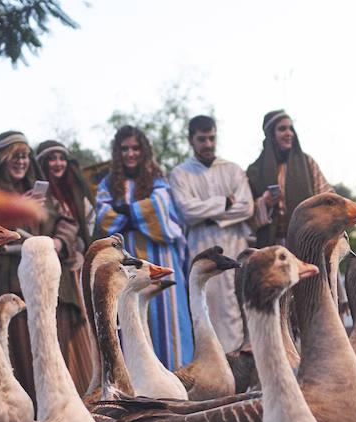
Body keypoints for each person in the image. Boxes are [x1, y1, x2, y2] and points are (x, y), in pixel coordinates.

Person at [94, 125, 193, 369]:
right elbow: (105, 217)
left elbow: (160, 210)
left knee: (168, 318)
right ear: (117, 152)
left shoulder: (157, 179)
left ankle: (176, 374)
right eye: (125, 149)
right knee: (130, 316)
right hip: (127, 259)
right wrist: (141, 213)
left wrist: (125, 212)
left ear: (144, 150)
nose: (130, 153)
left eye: (135, 148)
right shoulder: (108, 183)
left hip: (160, 256)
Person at [169, 115, 253, 352]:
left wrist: (206, 212)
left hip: (234, 242)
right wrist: (225, 203)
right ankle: (215, 362)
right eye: (202, 139)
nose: (208, 144)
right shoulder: (180, 174)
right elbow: (186, 211)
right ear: (190, 140)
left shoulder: (233, 170)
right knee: (208, 303)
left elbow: (247, 207)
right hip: (201, 244)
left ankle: (241, 362)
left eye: (211, 138)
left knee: (238, 302)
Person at [0, 131, 49, 400]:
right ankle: (21, 406)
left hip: (36, 277)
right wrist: (18, 209)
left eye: (25, 156)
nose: (21, 161)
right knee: (15, 345)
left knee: (40, 342)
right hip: (5, 279)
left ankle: (43, 403)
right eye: (15, 156)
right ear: (2, 158)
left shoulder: (32, 188)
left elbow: (53, 222)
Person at [35, 139, 96, 392]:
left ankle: (87, 387)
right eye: (52, 158)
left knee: (83, 329)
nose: (58, 163)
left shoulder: (77, 193)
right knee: (59, 328)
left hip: (78, 269)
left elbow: (89, 229)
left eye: (62, 158)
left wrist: (80, 248)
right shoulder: (40, 195)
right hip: (53, 271)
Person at [246, 109, 333, 247]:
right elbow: (245, 212)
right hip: (270, 246)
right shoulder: (254, 171)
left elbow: (328, 198)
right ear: (271, 135)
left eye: (291, 128)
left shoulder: (307, 163)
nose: (289, 133)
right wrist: (265, 203)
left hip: (305, 243)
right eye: (282, 129)